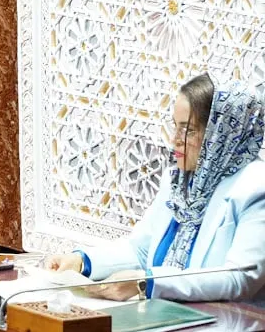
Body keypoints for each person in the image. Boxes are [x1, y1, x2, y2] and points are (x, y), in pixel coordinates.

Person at [45, 73, 265, 302]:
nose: (175, 140)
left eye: (188, 130)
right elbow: (141, 251)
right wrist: (82, 262)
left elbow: (239, 278)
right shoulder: (178, 181)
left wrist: (147, 282)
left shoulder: (255, 188)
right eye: (175, 127)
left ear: (222, 133)